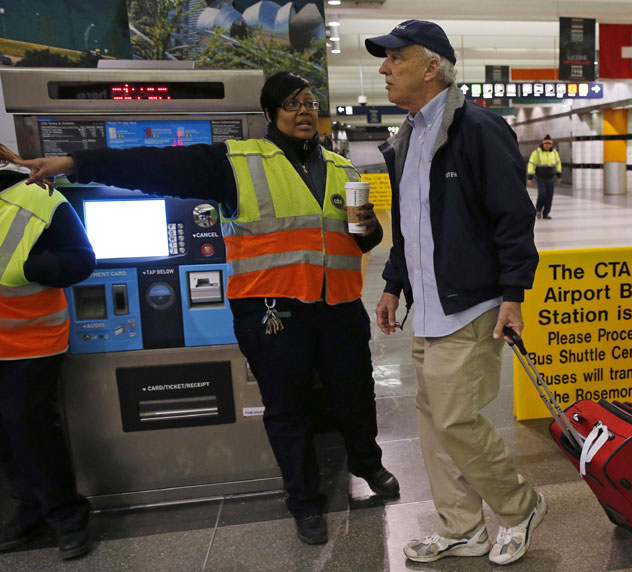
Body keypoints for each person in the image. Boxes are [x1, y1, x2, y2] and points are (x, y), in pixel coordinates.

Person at [18, 72, 399, 546]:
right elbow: (155, 166)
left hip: (338, 306)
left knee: (355, 394)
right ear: (269, 114)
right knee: (288, 408)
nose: (303, 111)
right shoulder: (236, 163)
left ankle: (367, 463)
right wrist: (75, 163)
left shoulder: (343, 169)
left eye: (308, 102)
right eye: (291, 104)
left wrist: (368, 229)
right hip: (271, 311)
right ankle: (304, 501)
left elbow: (363, 240)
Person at [366, 20, 545, 567]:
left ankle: (520, 507)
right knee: (433, 422)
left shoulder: (479, 129)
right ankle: (462, 528)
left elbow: (513, 217)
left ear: (431, 67)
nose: (384, 69)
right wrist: (393, 285)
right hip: (427, 305)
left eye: (395, 58)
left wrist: (513, 293)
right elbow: (410, 226)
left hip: (470, 304)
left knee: (453, 419)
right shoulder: (408, 136)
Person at [0, 146, 95, 560]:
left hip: (29, 340)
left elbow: (81, 260)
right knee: (6, 433)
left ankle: (66, 516)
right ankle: (29, 508)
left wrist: (27, 267)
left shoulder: (36, 196)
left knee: (28, 428)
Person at [527, 134, 562, 219]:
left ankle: (546, 213)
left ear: (551, 144)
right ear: (543, 144)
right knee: (542, 194)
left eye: (549, 144)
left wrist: (559, 176)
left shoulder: (554, 153)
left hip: (551, 178)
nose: (547, 145)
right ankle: (538, 210)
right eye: (546, 144)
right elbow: (531, 164)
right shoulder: (536, 153)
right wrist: (530, 177)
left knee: (549, 196)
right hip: (541, 178)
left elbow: (558, 164)